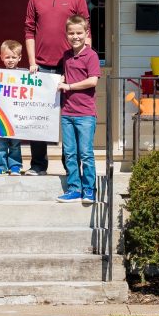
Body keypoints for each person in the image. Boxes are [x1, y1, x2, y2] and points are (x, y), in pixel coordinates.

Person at [23, 0, 90, 176]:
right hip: (41, 66)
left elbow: (85, 31)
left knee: (69, 118)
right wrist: (32, 61)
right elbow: (29, 30)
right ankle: (38, 165)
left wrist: (85, 61)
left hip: (69, 66)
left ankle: (69, 167)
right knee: (39, 118)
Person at [56, 15, 101, 204]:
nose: (75, 36)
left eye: (79, 33)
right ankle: (74, 188)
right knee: (70, 154)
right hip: (67, 113)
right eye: (71, 33)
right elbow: (64, 77)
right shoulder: (66, 56)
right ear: (67, 34)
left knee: (86, 153)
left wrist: (69, 86)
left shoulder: (91, 55)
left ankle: (89, 189)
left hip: (85, 114)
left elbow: (93, 80)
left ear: (86, 33)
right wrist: (60, 81)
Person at [0, 40, 25, 176]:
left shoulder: (24, 74)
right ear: (1, 57)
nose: (10, 60)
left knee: (15, 144)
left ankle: (15, 166)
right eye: (7, 57)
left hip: (16, 117)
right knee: (1, 145)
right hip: (0, 117)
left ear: (19, 58)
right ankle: (1, 166)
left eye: (13, 57)